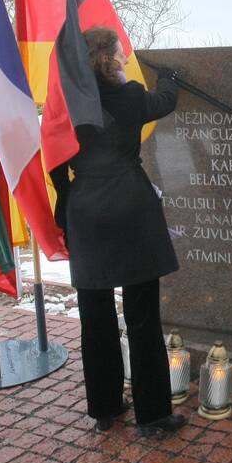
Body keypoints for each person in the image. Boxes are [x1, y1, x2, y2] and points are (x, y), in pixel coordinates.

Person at [50, 26, 187, 438]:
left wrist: (70, 193)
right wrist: (171, 78)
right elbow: (164, 101)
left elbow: (55, 160)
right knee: (143, 317)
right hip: (130, 212)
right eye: (121, 53)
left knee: (95, 318)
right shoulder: (128, 98)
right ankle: (153, 417)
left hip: (87, 213)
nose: (125, 59)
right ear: (108, 59)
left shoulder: (69, 104)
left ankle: (105, 408)